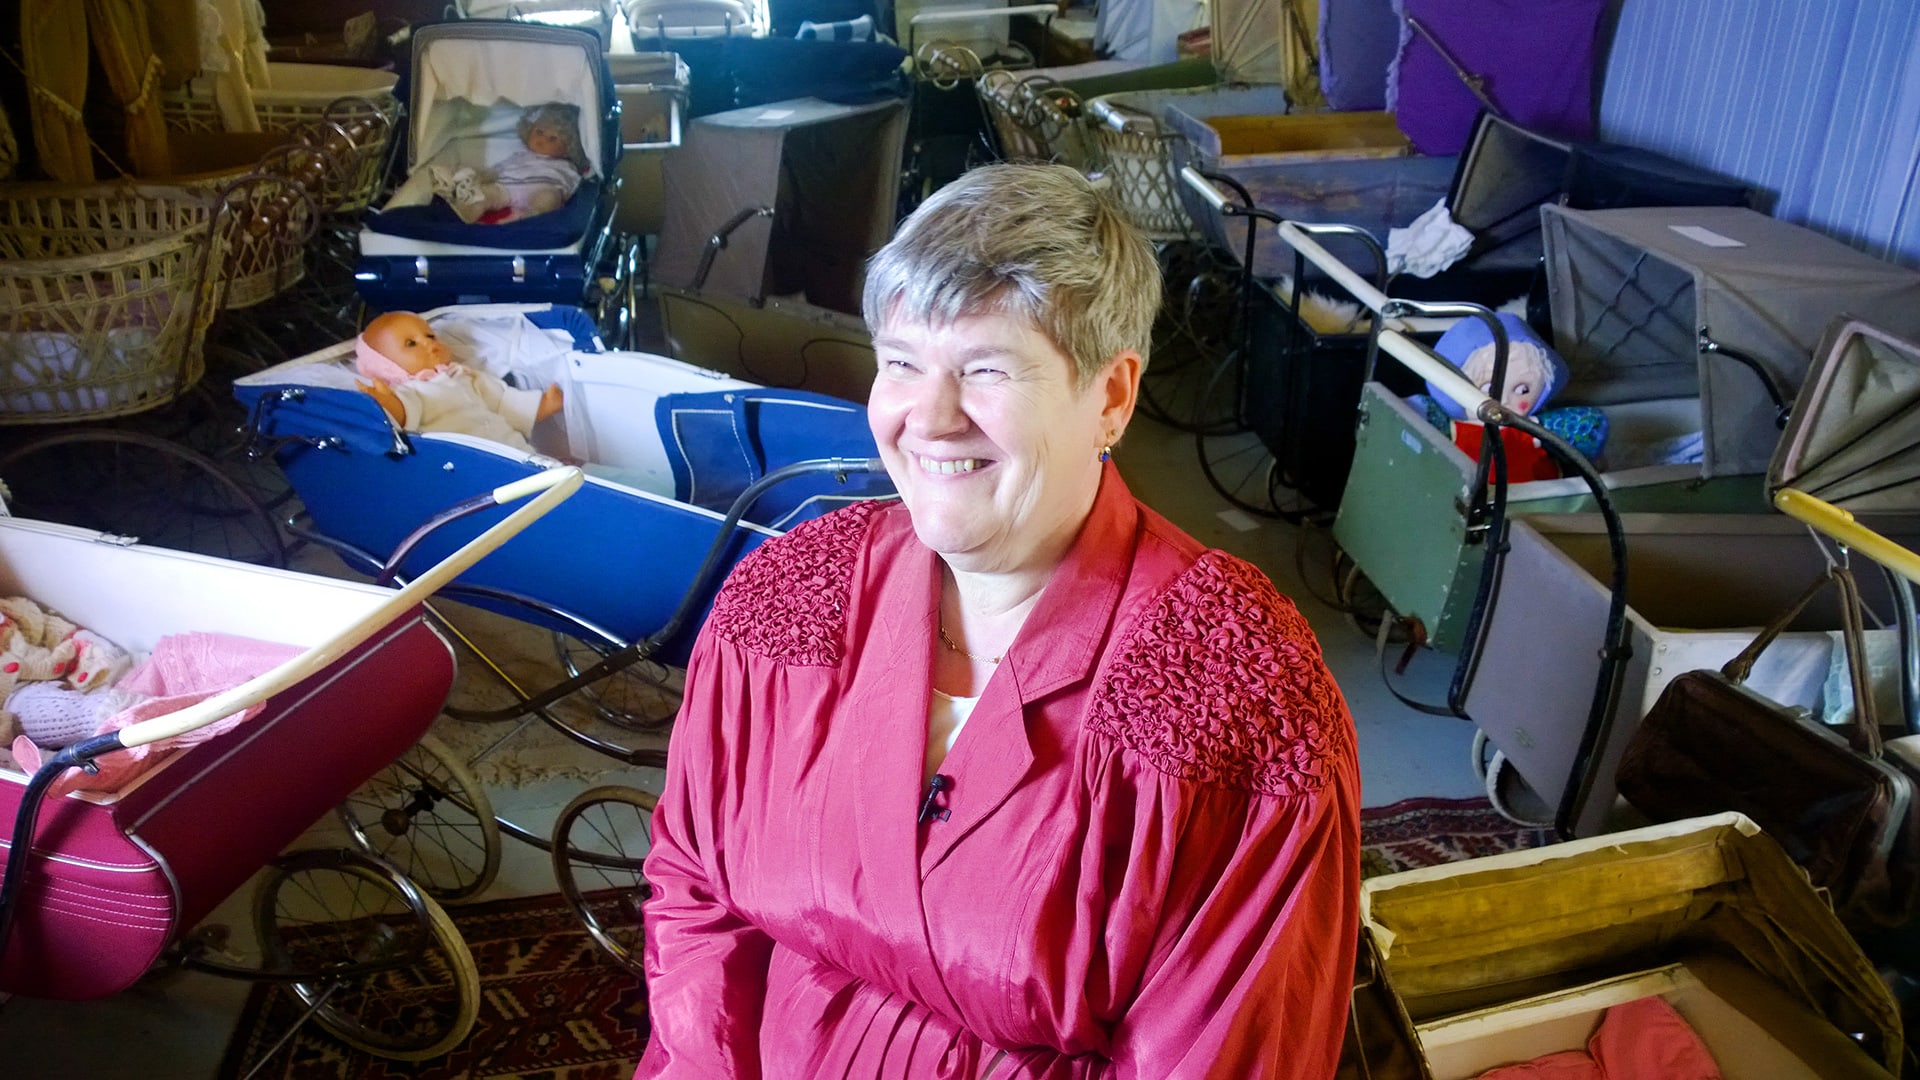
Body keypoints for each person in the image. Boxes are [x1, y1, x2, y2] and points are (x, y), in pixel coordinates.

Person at [637, 163, 1361, 1078]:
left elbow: (1227, 1056)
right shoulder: (788, 598)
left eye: (987, 369)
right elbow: (696, 894)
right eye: (902, 362)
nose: (930, 418)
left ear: (1111, 396)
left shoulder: (1234, 696)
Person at [354, 311, 562, 453]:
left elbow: (502, 402)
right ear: (386, 365)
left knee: (555, 476)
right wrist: (386, 404)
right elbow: (405, 414)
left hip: (514, 448)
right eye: (411, 344)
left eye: (430, 336)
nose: (428, 343)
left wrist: (541, 406)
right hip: (472, 462)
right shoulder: (412, 390)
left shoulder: (463, 375)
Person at [430, 102, 590, 224]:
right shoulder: (519, 156)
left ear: (568, 148)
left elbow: (572, 184)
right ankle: (471, 208)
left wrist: (561, 196)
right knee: (487, 194)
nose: (542, 140)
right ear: (529, 130)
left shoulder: (566, 165)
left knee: (549, 199)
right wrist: (483, 176)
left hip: (542, 189)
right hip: (508, 187)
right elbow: (499, 170)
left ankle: (530, 218)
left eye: (552, 139)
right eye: (539, 132)